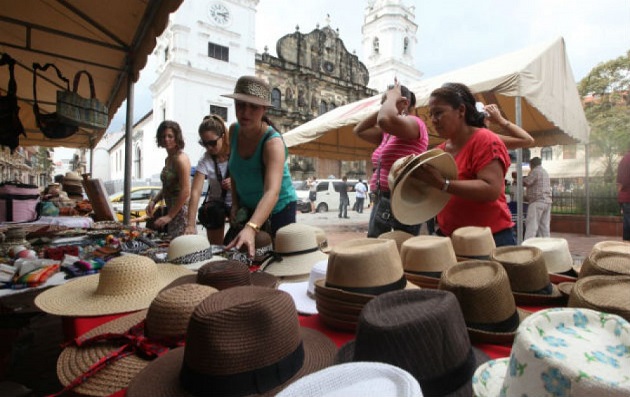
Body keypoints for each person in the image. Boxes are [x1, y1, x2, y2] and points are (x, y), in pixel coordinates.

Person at [416, 82, 515, 247]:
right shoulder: (439, 151)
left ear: (461, 110)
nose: (433, 120)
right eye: (431, 114)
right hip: (451, 238)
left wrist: (442, 184)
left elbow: (491, 190)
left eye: (439, 113)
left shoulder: (485, 140)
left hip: (488, 240)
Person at [222, 75, 298, 257]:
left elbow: (272, 192)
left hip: (279, 210)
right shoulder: (233, 131)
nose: (245, 113)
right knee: (237, 257)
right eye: (240, 105)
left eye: (253, 107)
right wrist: (235, 205)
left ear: (264, 109)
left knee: (274, 262)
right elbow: (235, 172)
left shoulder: (273, 143)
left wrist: (251, 227)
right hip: (248, 208)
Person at [354, 81, 428, 237]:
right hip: (383, 199)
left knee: (395, 249)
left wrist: (392, 100)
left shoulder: (416, 124)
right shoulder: (387, 134)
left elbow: (384, 120)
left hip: (401, 199)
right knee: (378, 249)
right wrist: (389, 103)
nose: (384, 106)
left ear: (404, 103)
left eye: (387, 102)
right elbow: (359, 130)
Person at [185, 114, 232, 245]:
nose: (209, 148)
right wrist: (190, 224)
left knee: (235, 245)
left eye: (212, 143)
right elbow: (195, 192)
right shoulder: (205, 159)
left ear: (223, 137)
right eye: (204, 143)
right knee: (216, 247)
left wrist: (236, 182)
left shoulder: (237, 152)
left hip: (237, 204)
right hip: (216, 207)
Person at [146, 120, 191, 239]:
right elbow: (167, 186)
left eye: (170, 136)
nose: (166, 139)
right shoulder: (169, 159)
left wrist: (169, 216)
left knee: (180, 248)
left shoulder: (181, 159)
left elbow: (186, 190)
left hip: (181, 212)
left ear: (177, 137)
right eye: (163, 136)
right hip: (172, 210)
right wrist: (154, 201)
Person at [522, 157, 552, 239]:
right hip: (547, 201)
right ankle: (547, 246)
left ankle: (527, 247)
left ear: (532, 164)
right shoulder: (544, 171)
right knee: (544, 227)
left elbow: (527, 182)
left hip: (537, 201)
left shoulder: (535, 171)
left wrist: (518, 178)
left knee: (531, 226)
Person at [617, 144, 630, 241]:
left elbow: (620, 181)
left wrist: (619, 195)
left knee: (628, 224)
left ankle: (626, 250)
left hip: (627, 198)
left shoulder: (624, 160)